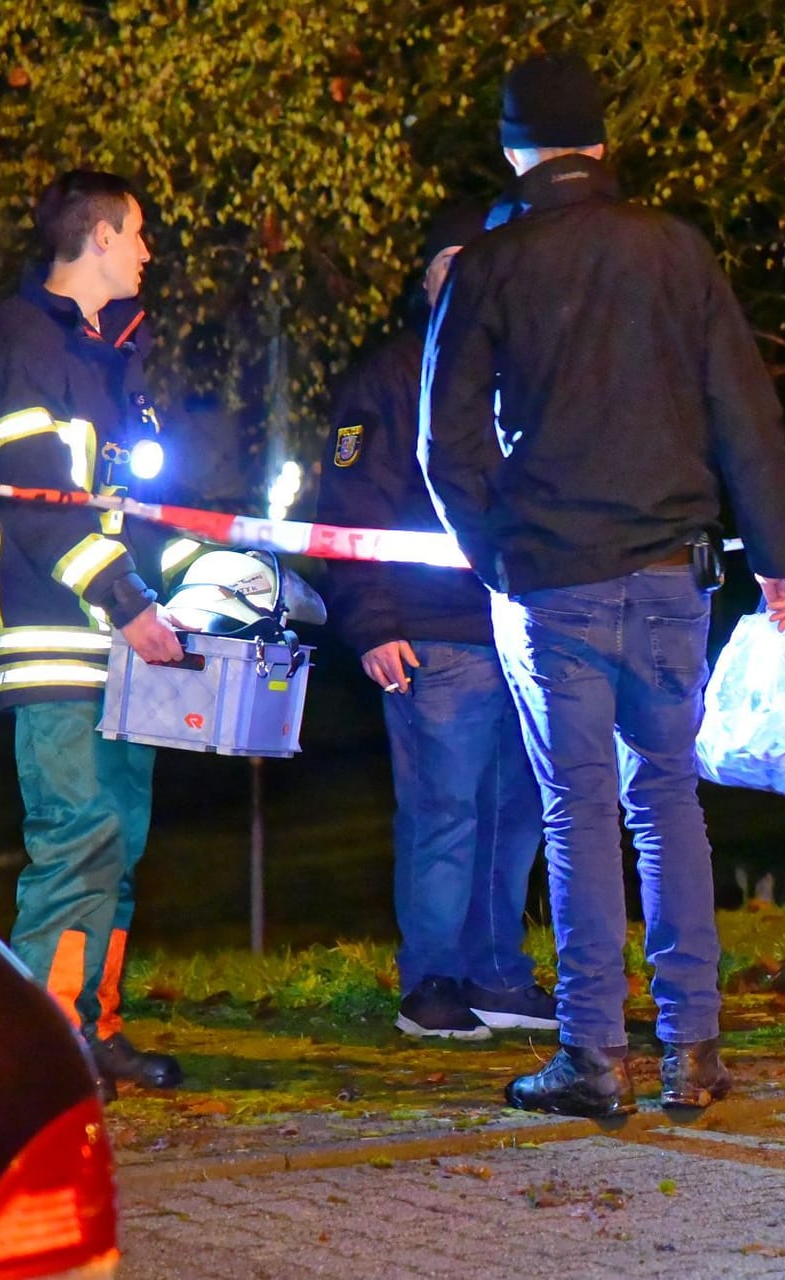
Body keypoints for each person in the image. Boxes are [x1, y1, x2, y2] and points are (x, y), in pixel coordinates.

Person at [421, 52, 785, 1117]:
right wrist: (775, 553)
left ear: (514, 146)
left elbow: (443, 440)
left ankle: (594, 1055)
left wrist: (496, 552)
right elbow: (743, 411)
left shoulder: (492, 265)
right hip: (673, 571)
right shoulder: (677, 251)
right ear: (603, 142)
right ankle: (695, 1046)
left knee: (574, 808)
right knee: (667, 797)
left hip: (551, 581)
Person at [314, 204, 558, 1043]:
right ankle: (432, 985)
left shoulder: (522, 372)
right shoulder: (387, 377)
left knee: (515, 809)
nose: (467, 283)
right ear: (426, 280)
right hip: (431, 632)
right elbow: (345, 509)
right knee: (445, 813)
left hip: (519, 629)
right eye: (450, 266)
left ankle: (495, 976)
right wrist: (373, 622)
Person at [0, 170, 189, 1094]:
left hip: (121, 639)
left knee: (120, 842)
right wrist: (129, 599)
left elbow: (127, 510)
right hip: (56, 636)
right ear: (98, 238)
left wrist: (180, 590)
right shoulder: (18, 339)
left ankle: (91, 1030)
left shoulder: (117, 357)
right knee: (76, 838)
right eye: (137, 233)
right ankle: (37, 1053)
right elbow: (29, 498)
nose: (147, 251)